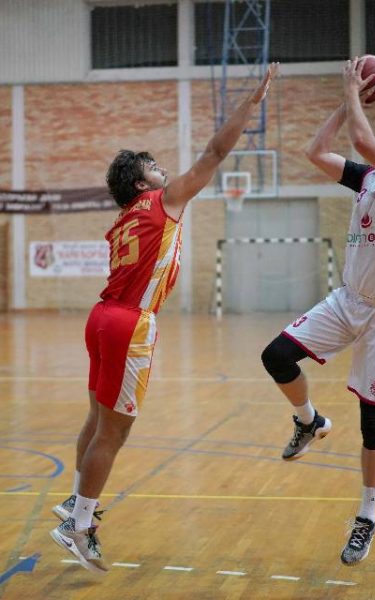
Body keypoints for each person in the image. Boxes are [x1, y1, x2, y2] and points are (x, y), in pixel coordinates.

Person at [49, 63, 279, 574]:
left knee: (96, 420)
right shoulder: (163, 202)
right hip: (130, 322)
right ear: (141, 182)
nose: (163, 169)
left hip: (100, 317)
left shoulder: (121, 222)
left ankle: (75, 502)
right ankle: (79, 524)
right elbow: (215, 152)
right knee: (115, 432)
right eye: (153, 166)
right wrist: (251, 104)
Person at [261, 57, 375, 566]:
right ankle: (309, 421)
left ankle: (367, 516)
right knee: (276, 356)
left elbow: (364, 141)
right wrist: (347, 106)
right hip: (348, 300)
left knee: (372, 422)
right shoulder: (368, 180)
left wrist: (351, 91)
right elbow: (316, 151)